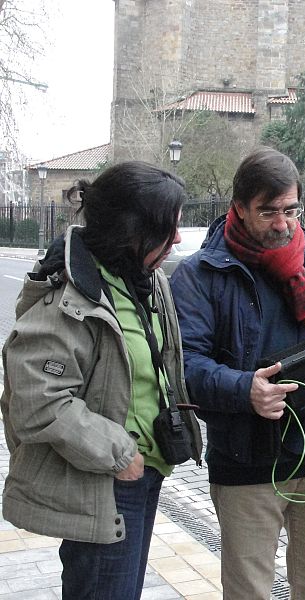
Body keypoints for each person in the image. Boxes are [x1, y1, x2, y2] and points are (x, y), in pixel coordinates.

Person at [169, 146, 305, 599]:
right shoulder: (199, 275)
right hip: (244, 460)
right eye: (268, 212)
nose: (282, 224)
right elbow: (184, 364)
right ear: (240, 208)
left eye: (291, 210)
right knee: (249, 592)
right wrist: (245, 389)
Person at [1, 161, 203, 600]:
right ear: (131, 231)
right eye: (167, 229)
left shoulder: (145, 279)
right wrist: (120, 454)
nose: (177, 239)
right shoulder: (71, 294)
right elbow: (38, 400)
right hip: (106, 481)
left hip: (143, 474)